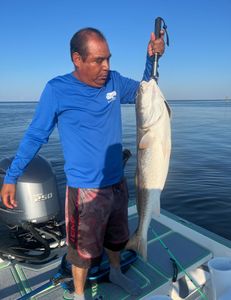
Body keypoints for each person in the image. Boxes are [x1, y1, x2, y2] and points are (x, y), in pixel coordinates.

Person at [0, 27, 165, 299]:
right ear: (77, 59)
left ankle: (115, 271)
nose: (106, 67)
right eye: (98, 60)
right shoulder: (57, 90)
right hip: (84, 190)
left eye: (108, 59)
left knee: (117, 238)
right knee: (81, 250)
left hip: (117, 184)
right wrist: (11, 177)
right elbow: (36, 135)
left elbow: (146, 93)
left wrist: (152, 60)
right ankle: (79, 294)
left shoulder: (114, 82)